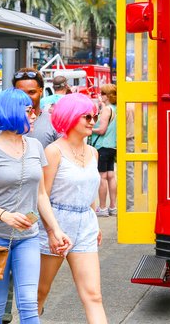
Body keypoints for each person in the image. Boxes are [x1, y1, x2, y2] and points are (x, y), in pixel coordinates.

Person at [0, 88, 72, 324]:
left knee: (28, 304)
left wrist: (55, 230)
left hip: (28, 237)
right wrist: (4, 215)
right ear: (12, 114)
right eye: (28, 111)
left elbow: (41, 194)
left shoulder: (34, 146)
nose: (35, 115)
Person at [36, 93, 107, 323]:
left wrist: (94, 221)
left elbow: (90, 192)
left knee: (94, 295)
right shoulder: (53, 151)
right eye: (86, 116)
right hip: (55, 224)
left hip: (85, 224)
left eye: (94, 116)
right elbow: (42, 195)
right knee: (38, 294)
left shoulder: (93, 152)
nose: (92, 121)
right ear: (69, 117)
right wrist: (51, 231)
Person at [91, 84, 118, 217]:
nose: (100, 95)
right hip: (113, 146)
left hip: (102, 146)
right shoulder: (116, 108)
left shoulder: (106, 110)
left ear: (108, 96)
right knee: (111, 176)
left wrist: (89, 130)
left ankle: (102, 208)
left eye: (102, 93)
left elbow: (102, 130)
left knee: (102, 177)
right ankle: (113, 206)